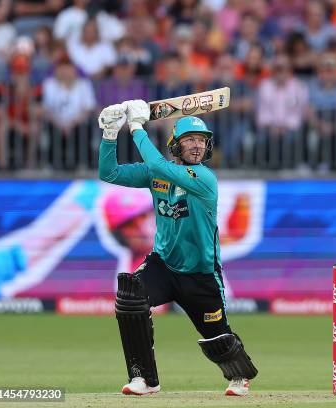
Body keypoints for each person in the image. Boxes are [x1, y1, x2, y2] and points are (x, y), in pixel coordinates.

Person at [97, 101, 258, 396]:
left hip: (201, 273)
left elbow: (158, 165)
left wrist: (135, 128)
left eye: (201, 140)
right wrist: (109, 134)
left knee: (218, 338)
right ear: (176, 145)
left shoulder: (205, 178)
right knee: (131, 297)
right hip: (164, 264)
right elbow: (109, 173)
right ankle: (145, 379)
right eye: (189, 140)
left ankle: (240, 377)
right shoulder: (156, 174)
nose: (197, 146)